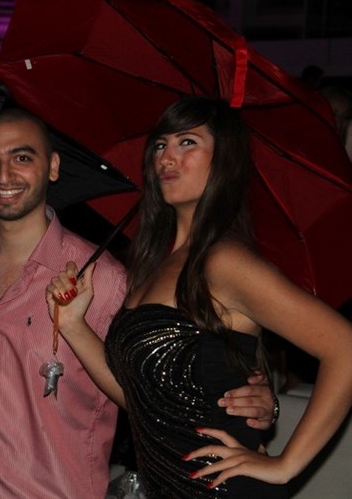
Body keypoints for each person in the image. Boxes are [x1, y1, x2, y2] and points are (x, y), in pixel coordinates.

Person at [0, 107, 277, 498]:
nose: (4, 174)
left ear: (53, 167)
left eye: (22, 157)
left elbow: (162, 379)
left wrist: (252, 400)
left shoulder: (105, 279)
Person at [46, 96, 352, 497]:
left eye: (187, 142)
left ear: (224, 160)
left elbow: (344, 346)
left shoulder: (223, 261)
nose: (166, 157)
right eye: (160, 145)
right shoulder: (155, 264)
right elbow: (141, 398)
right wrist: (73, 324)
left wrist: (286, 465)